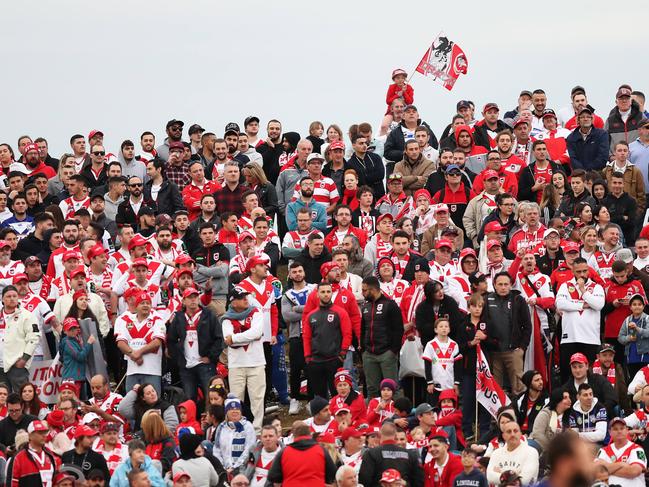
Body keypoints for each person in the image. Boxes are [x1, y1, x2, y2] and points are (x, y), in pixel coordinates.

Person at [220, 288, 266, 431]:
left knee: (257, 400)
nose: (246, 299)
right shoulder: (226, 319)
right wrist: (250, 336)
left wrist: (234, 338)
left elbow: (257, 332)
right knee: (236, 400)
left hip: (256, 362)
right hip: (236, 365)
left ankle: (257, 430)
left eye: (246, 296)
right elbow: (252, 335)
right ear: (233, 302)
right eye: (241, 298)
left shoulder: (256, 312)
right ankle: (236, 429)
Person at [167, 287, 223, 403]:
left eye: (195, 297)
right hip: (186, 367)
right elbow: (171, 340)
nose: (193, 300)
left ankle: (211, 419)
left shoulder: (209, 315)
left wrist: (210, 357)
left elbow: (219, 338)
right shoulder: (178, 317)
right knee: (189, 398)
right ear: (183, 301)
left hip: (205, 365)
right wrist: (179, 359)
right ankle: (193, 421)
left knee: (211, 397)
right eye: (189, 297)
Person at [481, 272, 532, 395]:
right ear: (494, 285)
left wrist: (522, 348)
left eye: (506, 284)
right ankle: (497, 414)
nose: (503, 287)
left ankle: (518, 413)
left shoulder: (518, 300)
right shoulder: (486, 300)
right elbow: (481, 323)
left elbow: (527, 326)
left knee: (518, 388)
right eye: (500, 284)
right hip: (494, 352)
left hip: (514, 351)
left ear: (510, 285)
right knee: (495, 389)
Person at [302, 281, 353, 398]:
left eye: (328, 292)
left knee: (337, 394)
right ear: (317, 294)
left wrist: (343, 353)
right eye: (323, 292)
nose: (326, 294)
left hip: (334, 359)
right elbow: (306, 337)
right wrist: (307, 356)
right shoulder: (311, 315)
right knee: (319, 396)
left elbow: (347, 333)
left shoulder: (340, 312)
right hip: (315, 361)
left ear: (331, 293)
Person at [556, 257, 606, 372]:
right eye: (578, 272)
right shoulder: (565, 286)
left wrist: (583, 290)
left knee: (590, 376)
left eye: (584, 271)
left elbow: (598, 305)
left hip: (591, 339)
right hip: (569, 338)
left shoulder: (596, 287)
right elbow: (560, 304)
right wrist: (582, 305)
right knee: (567, 375)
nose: (582, 274)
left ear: (588, 270)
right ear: (573, 271)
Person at [360, 276, 403, 399]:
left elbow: (398, 330)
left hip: (386, 354)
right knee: (372, 389)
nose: (362, 293)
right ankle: (373, 416)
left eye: (364, 290)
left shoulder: (390, 305)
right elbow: (363, 330)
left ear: (373, 290)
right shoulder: (365, 307)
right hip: (369, 354)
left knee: (392, 389)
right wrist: (363, 350)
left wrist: (392, 351)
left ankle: (397, 415)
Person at [267, 420, 337, 486]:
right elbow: (332, 474)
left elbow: (273, 477)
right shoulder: (321, 451)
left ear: (293, 436)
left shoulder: (284, 452)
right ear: (309, 434)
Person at [358, 422, 423, 487]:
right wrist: (405, 484)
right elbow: (418, 481)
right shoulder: (411, 454)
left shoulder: (371, 453)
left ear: (380, 435)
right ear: (395, 436)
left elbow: (364, 480)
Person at [0, 285, 39, 391]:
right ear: (2, 299)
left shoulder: (27, 316)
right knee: (2, 399)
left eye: (14, 296)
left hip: (16, 364)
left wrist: (24, 360)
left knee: (22, 397)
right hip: (0, 365)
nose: (12, 298)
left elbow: (34, 339)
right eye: (8, 296)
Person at [213, 394, 257, 478]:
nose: (235, 411)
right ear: (226, 412)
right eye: (231, 409)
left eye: (237, 408)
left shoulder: (248, 426)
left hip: (243, 469)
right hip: (224, 470)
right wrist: (222, 467)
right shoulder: (221, 427)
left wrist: (234, 468)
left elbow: (249, 449)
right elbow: (217, 449)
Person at [5, 420, 59, 487]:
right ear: (30, 435)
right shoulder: (18, 457)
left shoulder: (50, 454)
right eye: (39, 432)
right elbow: (12, 483)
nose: (43, 435)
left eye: (44, 432)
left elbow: (55, 481)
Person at [596, 417, 647, 486]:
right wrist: (621, 465)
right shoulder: (603, 450)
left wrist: (606, 468)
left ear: (627, 430)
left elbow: (634, 471)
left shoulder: (637, 449)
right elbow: (596, 471)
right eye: (615, 429)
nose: (619, 431)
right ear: (610, 432)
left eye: (622, 428)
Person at [486, 421, 539, 486]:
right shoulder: (496, 453)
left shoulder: (531, 452)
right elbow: (490, 477)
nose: (512, 434)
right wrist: (516, 475)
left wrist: (501, 474)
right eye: (509, 431)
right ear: (503, 436)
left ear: (520, 434)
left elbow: (524, 481)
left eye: (515, 431)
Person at [58, 316, 96, 397]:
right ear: (65, 331)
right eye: (70, 329)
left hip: (78, 378)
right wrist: (89, 343)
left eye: (74, 328)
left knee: (79, 403)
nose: (73, 331)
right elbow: (80, 356)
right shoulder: (68, 342)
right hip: (72, 379)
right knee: (73, 402)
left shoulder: (75, 340)